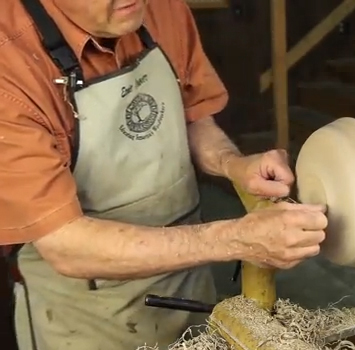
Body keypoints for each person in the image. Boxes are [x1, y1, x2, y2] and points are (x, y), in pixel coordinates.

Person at [0, 0, 328, 349]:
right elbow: (64, 244)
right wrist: (234, 238)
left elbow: (193, 115)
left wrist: (233, 163)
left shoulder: (156, 8)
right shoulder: (11, 66)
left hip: (188, 282)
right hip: (87, 316)